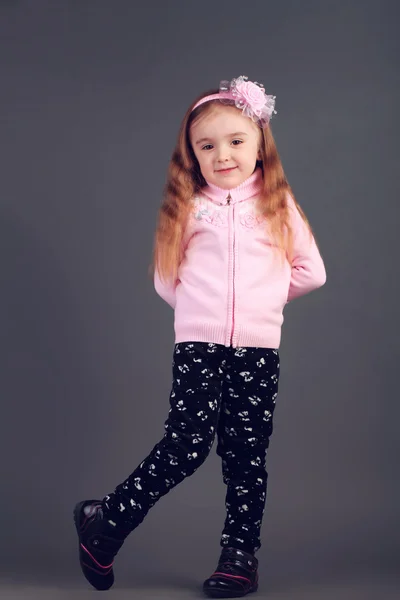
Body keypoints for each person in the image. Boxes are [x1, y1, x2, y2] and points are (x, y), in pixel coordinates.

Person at [73, 75, 326, 598]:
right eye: (207, 146)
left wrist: (260, 304)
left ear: (260, 145)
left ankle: (239, 558)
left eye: (236, 141)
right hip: (199, 347)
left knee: (245, 452)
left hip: (258, 349)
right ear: (192, 154)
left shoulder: (280, 206)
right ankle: (109, 521)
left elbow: (311, 271)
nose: (223, 154)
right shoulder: (190, 208)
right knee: (185, 444)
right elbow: (168, 277)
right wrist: (200, 315)